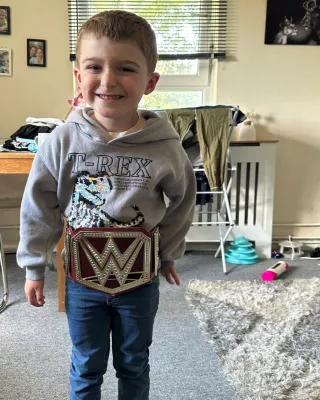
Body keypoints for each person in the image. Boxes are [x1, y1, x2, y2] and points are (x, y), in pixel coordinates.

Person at [17, 9, 196, 400]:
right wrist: (33, 266)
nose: (109, 80)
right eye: (95, 66)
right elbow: (39, 204)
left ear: (150, 81)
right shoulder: (61, 141)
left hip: (140, 281)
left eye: (126, 68)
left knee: (134, 362)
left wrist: (168, 253)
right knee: (87, 363)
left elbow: (184, 198)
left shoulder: (165, 146)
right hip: (81, 281)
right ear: (79, 77)